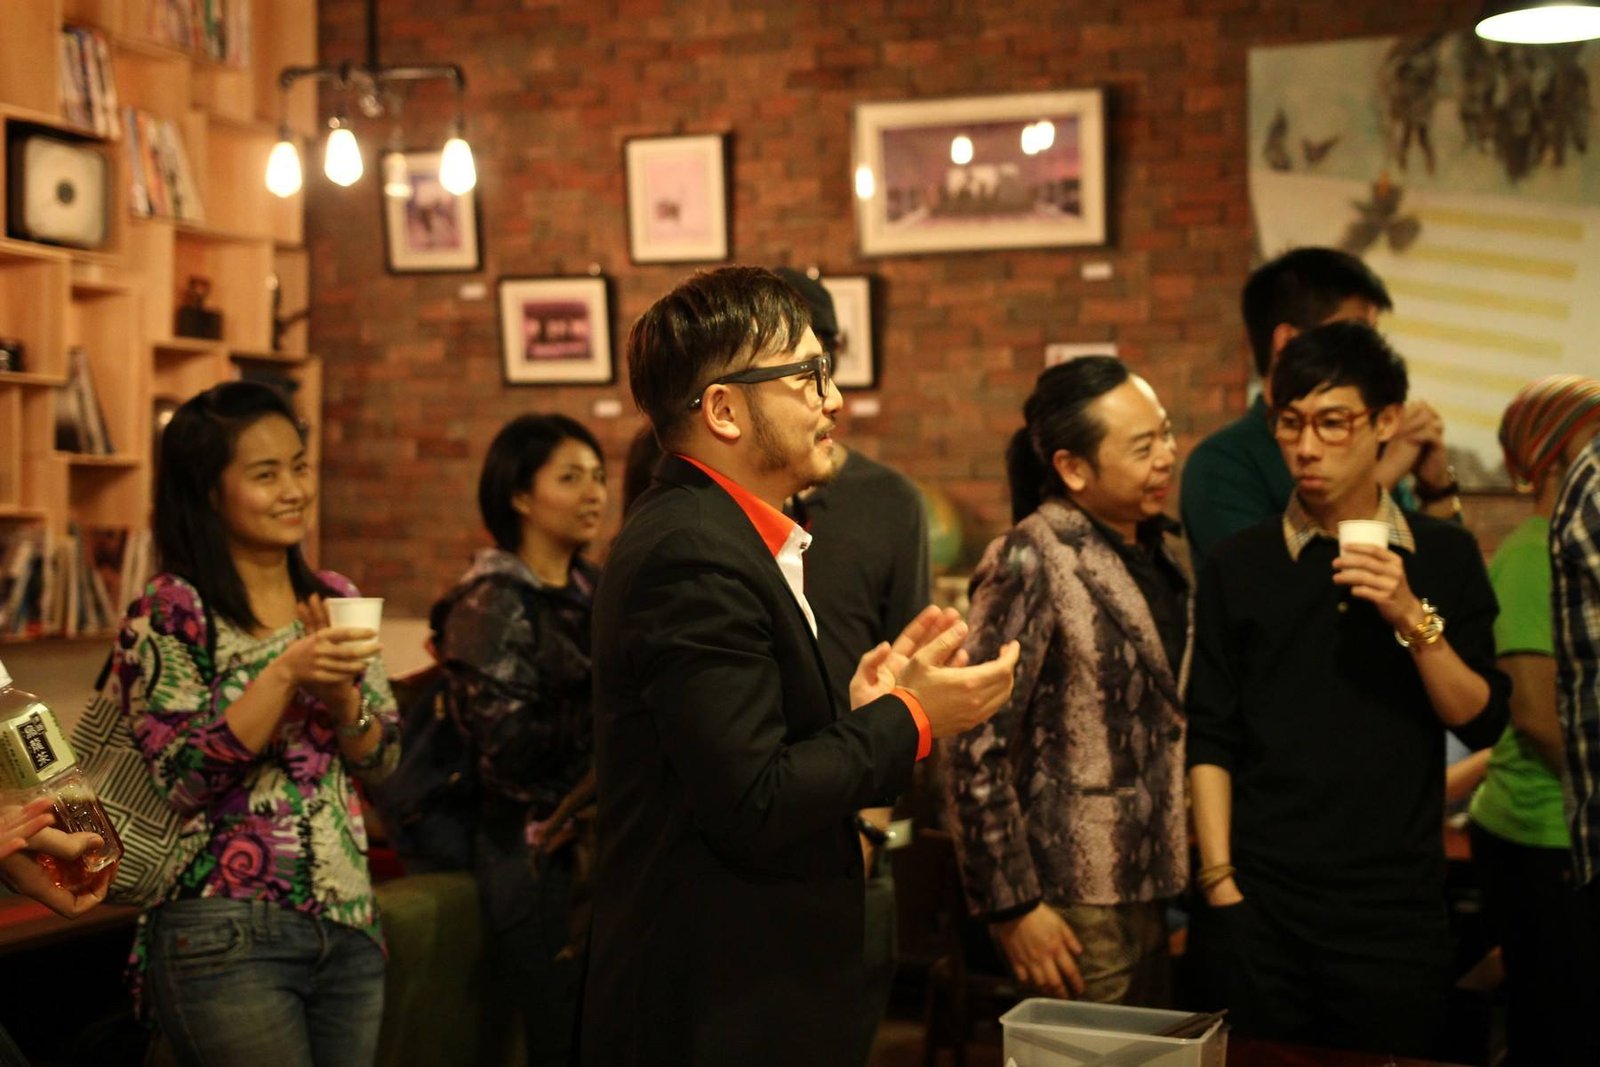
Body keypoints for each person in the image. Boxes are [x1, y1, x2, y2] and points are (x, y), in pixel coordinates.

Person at [581, 266, 1019, 1066]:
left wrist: (866, 713)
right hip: (717, 998)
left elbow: (753, 754)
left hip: (752, 983)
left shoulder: (725, 533)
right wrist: (912, 716)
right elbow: (754, 798)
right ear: (723, 409)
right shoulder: (692, 552)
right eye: (808, 377)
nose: (834, 400)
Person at [1185, 321, 1508, 1056]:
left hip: (1394, 911)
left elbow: (1481, 719)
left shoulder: (1445, 554)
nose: (1307, 447)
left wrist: (1409, 613)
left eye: (1333, 423)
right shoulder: (1240, 563)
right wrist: (1220, 883)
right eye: (1290, 423)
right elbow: (1211, 733)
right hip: (1262, 904)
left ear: (1385, 422)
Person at [101, 381, 398, 1066]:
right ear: (209, 491)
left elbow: (383, 763)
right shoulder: (169, 610)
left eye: (299, 466)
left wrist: (343, 701)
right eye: (266, 474)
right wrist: (285, 673)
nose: (294, 489)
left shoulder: (336, 597)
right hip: (222, 924)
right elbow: (181, 778)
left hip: (349, 918)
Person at [944, 356, 1189, 1007]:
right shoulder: (1032, 555)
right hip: (1069, 892)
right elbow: (972, 737)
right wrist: (1013, 906)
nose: (1167, 456)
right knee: (1089, 1050)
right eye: (1143, 447)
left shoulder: (1154, 550)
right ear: (1073, 468)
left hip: (1147, 876)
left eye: (1166, 434)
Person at [773, 266, 932, 1063]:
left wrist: (871, 821)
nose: (818, 386)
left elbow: (908, 671)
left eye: (820, 360)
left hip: (854, 819)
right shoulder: (699, 513)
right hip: (742, 831)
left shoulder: (888, 501)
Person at [431, 413, 606, 1067]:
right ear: (520, 496)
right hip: (535, 853)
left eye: (598, 477)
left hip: (605, 840)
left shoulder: (596, 589)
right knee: (561, 1034)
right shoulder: (492, 602)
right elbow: (507, 748)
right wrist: (611, 706)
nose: (593, 493)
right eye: (570, 477)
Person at [1470, 375, 1600, 1066]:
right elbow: (1537, 716)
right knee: (1559, 1030)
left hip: (1560, 827)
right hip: (1540, 831)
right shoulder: (1530, 553)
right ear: (1555, 455)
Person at [1181, 246, 1458, 562]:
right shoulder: (1221, 464)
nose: (1371, 352)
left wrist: (1437, 489)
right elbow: (1269, 580)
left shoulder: (1373, 442)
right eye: (1354, 334)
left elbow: (1437, 577)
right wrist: (1387, 471)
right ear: (1287, 342)